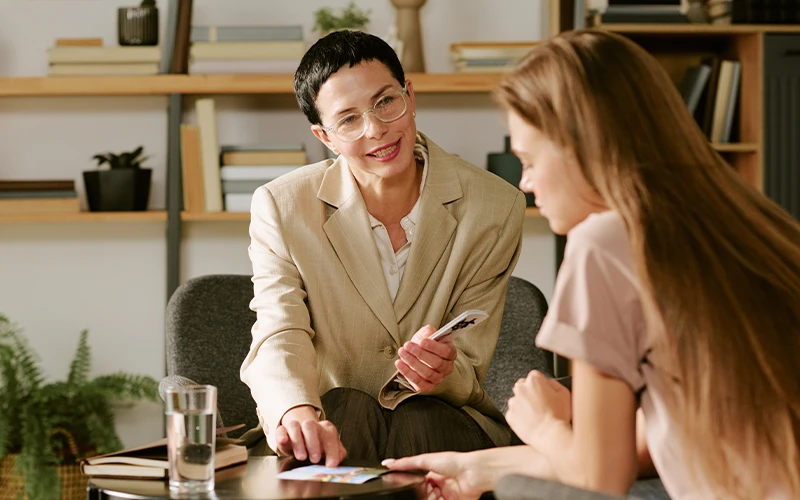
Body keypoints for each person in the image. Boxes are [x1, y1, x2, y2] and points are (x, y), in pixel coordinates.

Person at [384, 29, 800, 500]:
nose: (524, 183)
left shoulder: (603, 242)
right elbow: (659, 439)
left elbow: (602, 480)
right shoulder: (746, 222)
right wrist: (477, 468)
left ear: (580, 145)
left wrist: (542, 425)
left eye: (529, 159)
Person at [240, 29, 527, 467]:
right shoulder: (281, 206)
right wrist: (295, 409)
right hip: (331, 418)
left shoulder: (496, 206)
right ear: (325, 137)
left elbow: (471, 361)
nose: (376, 129)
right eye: (348, 119)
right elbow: (281, 329)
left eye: (385, 102)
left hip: (443, 421)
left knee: (422, 417)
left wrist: (445, 371)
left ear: (409, 95)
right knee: (343, 410)